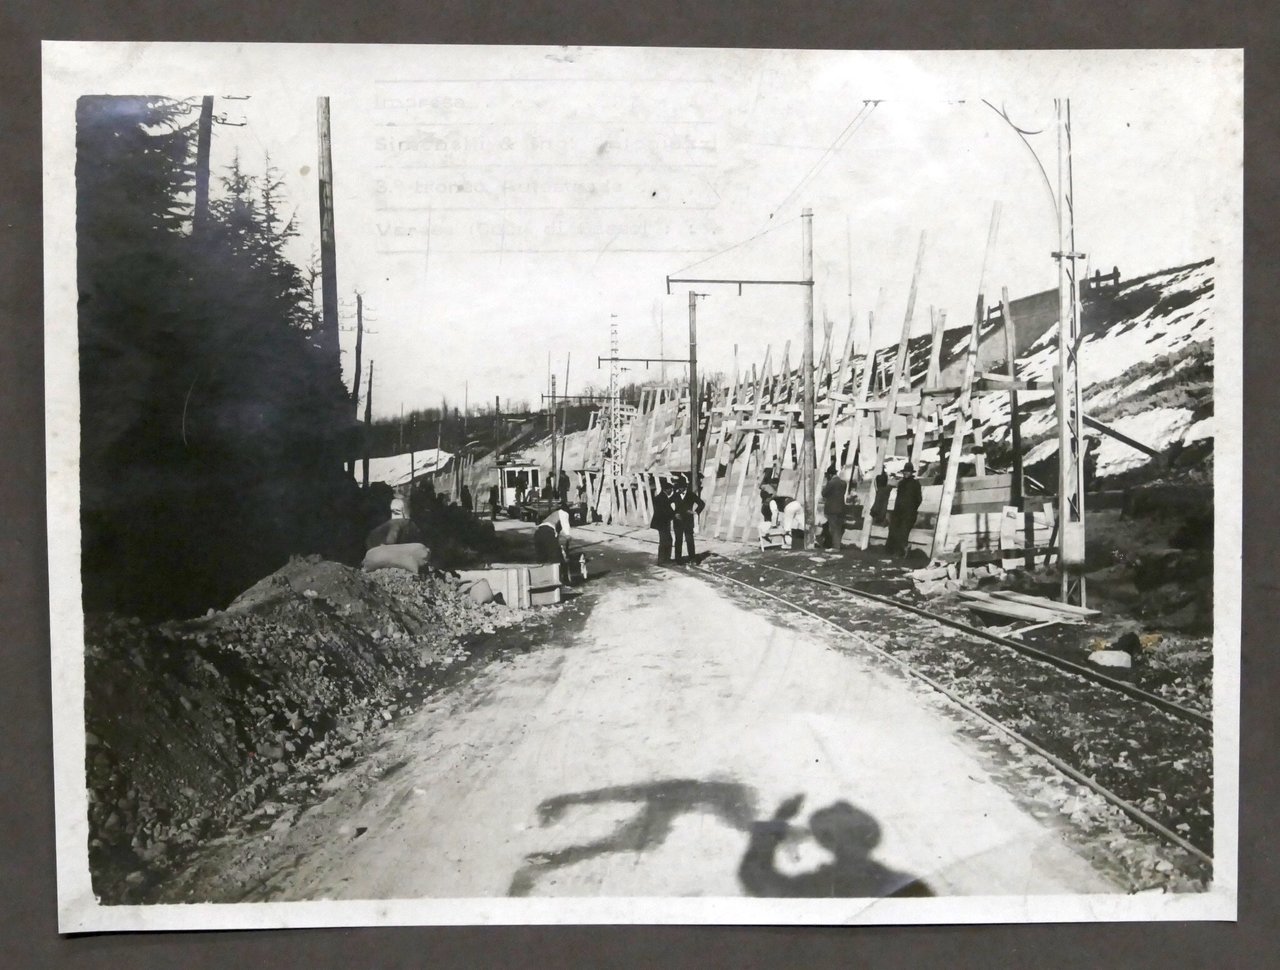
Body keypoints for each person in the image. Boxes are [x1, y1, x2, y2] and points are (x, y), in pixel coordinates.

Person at [885, 462, 923, 556]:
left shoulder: (915, 484)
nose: (906, 473)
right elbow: (898, 498)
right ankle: (892, 551)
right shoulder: (901, 483)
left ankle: (901, 551)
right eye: (905, 471)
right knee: (894, 530)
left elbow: (919, 499)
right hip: (898, 512)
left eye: (908, 472)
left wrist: (911, 509)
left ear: (911, 473)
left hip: (909, 513)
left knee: (904, 532)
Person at [671, 478, 707, 564]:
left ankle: (692, 558)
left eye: (681, 487)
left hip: (688, 521)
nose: (679, 489)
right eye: (678, 487)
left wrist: (695, 512)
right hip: (678, 521)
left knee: (689, 540)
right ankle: (678, 559)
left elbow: (701, 503)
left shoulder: (691, 495)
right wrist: (674, 514)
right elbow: (666, 505)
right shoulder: (675, 495)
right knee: (678, 540)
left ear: (685, 487)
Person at [821, 466, 848, 551]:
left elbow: (824, 494)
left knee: (833, 528)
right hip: (841, 508)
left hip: (832, 509)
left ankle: (835, 547)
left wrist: (826, 484)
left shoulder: (831, 483)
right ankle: (837, 545)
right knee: (839, 527)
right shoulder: (843, 483)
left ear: (829, 474)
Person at [649, 479, 675, 563]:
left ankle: (663, 559)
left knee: (665, 540)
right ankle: (664, 559)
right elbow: (666, 511)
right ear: (666, 489)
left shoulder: (660, 497)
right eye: (670, 490)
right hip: (662, 523)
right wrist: (674, 515)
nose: (671, 492)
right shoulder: (662, 498)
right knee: (666, 540)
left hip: (661, 523)